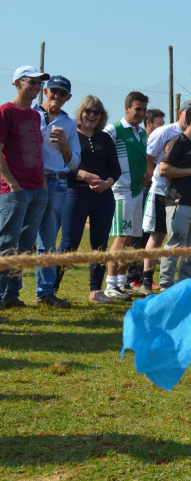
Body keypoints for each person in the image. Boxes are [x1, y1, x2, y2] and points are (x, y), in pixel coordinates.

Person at [55, 96, 120, 304]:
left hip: (104, 195)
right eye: (88, 111)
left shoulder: (105, 138)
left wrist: (106, 184)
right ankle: (51, 289)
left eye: (96, 112)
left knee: (100, 244)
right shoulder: (70, 135)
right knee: (69, 244)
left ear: (101, 116)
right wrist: (81, 174)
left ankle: (95, 290)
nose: (91, 115)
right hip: (76, 193)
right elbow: (60, 166)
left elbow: (115, 169)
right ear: (81, 112)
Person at [0, 67, 51, 320]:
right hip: (14, 191)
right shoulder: (4, 111)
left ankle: (11, 296)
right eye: (31, 81)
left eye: (39, 82)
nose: (36, 86)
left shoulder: (34, 115)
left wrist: (41, 183)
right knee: (5, 246)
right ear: (17, 83)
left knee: (23, 248)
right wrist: (11, 183)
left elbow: (37, 151)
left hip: (36, 190)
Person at [33, 75, 81, 309]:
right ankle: (8, 294)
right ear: (45, 91)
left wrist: (64, 145)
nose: (57, 96)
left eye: (62, 94)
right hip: (28, 182)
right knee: (18, 240)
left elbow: (74, 164)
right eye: (53, 91)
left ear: (68, 98)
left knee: (48, 241)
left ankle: (45, 292)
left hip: (57, 183)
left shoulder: (69, 124)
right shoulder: (29, 115)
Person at [142, 100, 191, 293]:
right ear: (179, 113)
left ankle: (179, 282)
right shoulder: (164, 132)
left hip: (184, 195)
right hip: (161, 191)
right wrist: (154, 179)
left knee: (180, 238)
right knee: (158, 235)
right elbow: (149, 157)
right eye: (188, 112)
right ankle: (146, 280)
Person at [102, 92, 149, 301]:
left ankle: (121, 282)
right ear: (127, 108)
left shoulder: (142, 132)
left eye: (144, 109)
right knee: (121, 238)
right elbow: (99, 150)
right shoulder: (114, 129)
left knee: (129, 239)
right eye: (137, 109)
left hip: (137, 190)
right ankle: (110, 284)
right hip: (121, 191)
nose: (141, 113)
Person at [158, 105, 191, 287]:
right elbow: (163, 169)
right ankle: (166, 287)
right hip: (179, 204)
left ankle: (185, 287)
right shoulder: (177, 142)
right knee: (174, 247)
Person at [128, 108, 166, 291]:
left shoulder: (158, 142)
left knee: (147, 235)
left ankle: (144, 277)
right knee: (137, 235)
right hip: (140, 190)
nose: (162, 128)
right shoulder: (143, 140)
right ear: (149, 124)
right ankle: (133, 277)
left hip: (151, 190)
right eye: (159, 124)